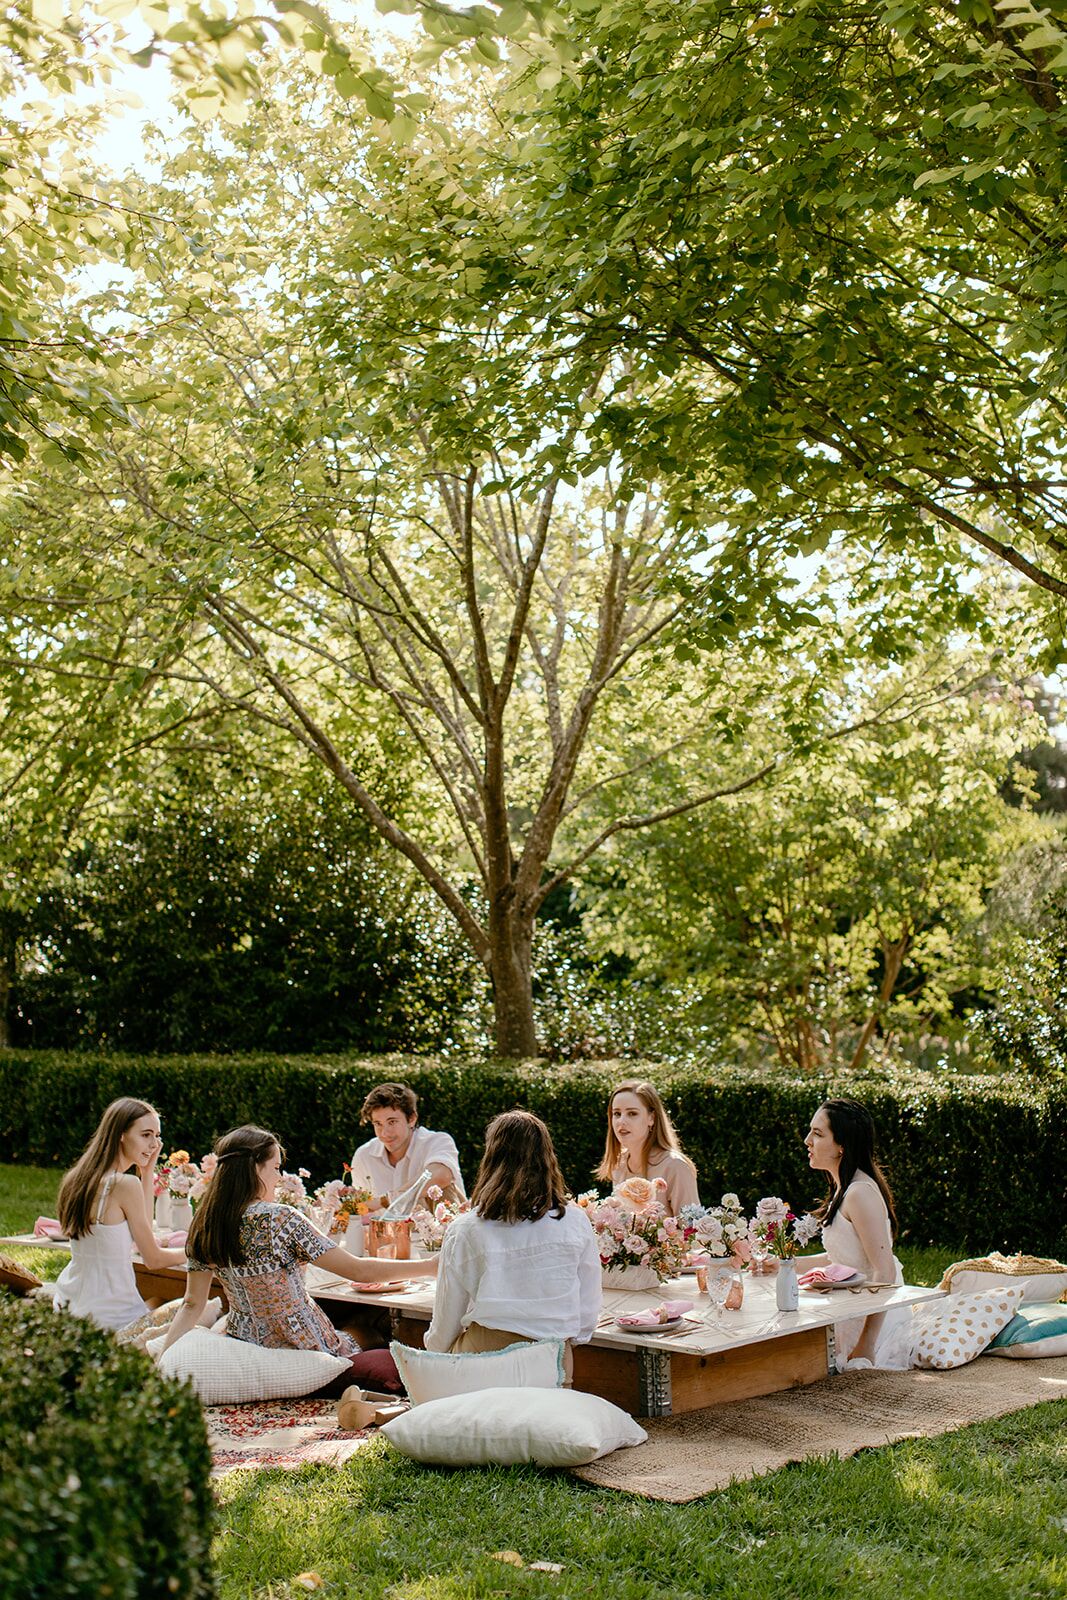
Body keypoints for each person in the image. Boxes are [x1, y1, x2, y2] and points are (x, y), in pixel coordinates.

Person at [157, 1124, 438, 1393]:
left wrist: (161, 1365)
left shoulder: (204, 1223)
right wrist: (430, 1266)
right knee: (372, 1327)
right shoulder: (280, 1218)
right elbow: (358, 1270)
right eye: (276, 1168)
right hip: (304, 1344)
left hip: (245, 1342)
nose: (279, 1177)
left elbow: (192, 1304)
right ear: (255, 1167)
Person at [424, 1110, 601, 1380]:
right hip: (554, 1359)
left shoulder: (466, 1228)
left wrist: (434, 1353)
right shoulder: (575, 1220)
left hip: (487, 1355)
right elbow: (587, 1310)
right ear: (547, 1158)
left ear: (491, 1159)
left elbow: (447, 1318)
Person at [53, 1097, 188, 1334]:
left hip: (68, 1302)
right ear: (121, 1135)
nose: (154, 1144)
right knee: (191, 1307)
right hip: (111, 1317)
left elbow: (143, 1228)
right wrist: (201, 1251)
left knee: (158, 1300)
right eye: (146, 1135)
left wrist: (147, 1172)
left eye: (157, 1136)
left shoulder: (76, 1178)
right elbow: (153, 1259)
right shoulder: (123, 1184)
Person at [803, 1098, 908, 1368]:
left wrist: (867, 1344)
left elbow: (884, 1272)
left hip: (873, 1315)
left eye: (817, 1133)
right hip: (849, 1305)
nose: (807, 1141)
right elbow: (840, 1261)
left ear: (842, 1146)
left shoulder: (860, 1193)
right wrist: (782, 1264)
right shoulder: (844, 1187)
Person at [350, 1082, 465, 1211]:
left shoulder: (437, 1141)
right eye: (378, 1124)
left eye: (392, 1122)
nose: (385, 1133)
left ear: (411, 1119)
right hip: (384, 1231)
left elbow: (441, 1176)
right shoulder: (364, 1156)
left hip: (444, 1230)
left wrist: (387, 1200)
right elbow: (361, 1213)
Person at [595, 1080, 700, 1216]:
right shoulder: (619, 1165)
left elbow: (692, 1231)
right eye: (617, 1114)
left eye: (632, 1113)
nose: (621, 1121)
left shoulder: (676, 1166)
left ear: (652, 1118)